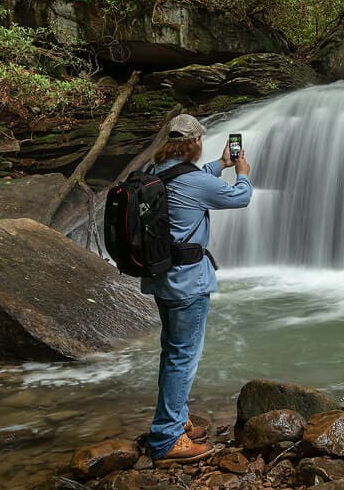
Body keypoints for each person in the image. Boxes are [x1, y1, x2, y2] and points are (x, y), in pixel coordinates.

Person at [144, 113, 252, 467]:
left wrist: (219, 164)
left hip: (162, 277)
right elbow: (239, 198)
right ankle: (167, 438)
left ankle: (176, 418)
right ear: (193, 143)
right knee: (182, 356)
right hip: (188, 282)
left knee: (171, 351)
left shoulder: (155, 172)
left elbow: (191, 181)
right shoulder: (190, 181)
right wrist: (242, 173)